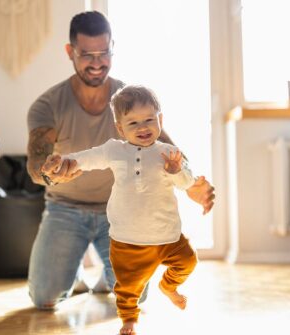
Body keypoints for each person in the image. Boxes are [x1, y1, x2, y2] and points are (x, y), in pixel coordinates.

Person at [26, 10, 214, 311]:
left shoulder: (129, 101)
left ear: (113, 47)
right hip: (64, 209)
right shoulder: (48, 105)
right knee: (44, 298)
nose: (97, 62)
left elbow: (170, 151)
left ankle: (105, 279)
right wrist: (50, 174)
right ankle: (71, 271)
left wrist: (190, 183)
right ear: (70, 52)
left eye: (104, 52)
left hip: (122, 216)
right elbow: (36, 164)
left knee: (136, 297)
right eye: (87, 54)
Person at [44, 85, 199, 335]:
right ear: (120, 128)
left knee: (188, 261)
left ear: (160, 119)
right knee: (127, 287)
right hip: (127, 239)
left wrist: (176, 171)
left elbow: (187, 183)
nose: (143, 128)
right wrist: (64, 161)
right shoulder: (114, 150)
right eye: (133, 123)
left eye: (149, 119)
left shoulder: (168, 153)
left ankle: (169, 286)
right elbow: (87, 158)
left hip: (168, 236)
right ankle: (129, 320)